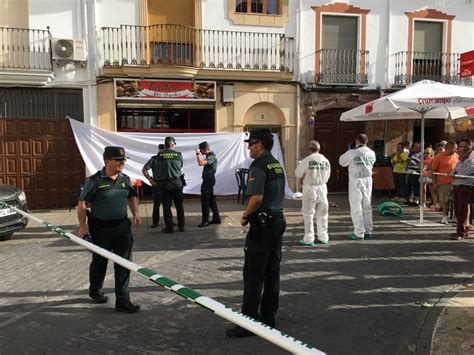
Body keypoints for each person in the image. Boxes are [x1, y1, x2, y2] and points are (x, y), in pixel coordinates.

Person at [226, 128, 286, 338]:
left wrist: (245, 215)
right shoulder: (276, 164)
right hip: (277, 220)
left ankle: (249, 321)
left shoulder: (259, 165)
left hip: (263, 224)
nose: (249, 148)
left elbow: (257, 197)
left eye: (250, 144)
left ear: (259, 144)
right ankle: (268, 316)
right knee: (272, 270)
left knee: (253, 274)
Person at [77, 146, 141, 313]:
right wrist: (83, 226)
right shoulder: (95, 181)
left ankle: (123, 299)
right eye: (118, 160)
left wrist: (136, 213)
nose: (122, 163)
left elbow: (132, 195)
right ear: (107, 161)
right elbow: (82, 204)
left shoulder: (125, 179)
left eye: (123, 160)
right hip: (100, 229)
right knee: (99, 262)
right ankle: (95, 290)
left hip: (121, 227)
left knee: (124, 263)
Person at [339, 134, 376, 240]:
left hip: (356, 180)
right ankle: (368, 231)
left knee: (356, 206)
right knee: (367, 206)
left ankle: (359, 232)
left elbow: (341, 162)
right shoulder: (372, 153)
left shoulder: (352, 152)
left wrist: (350, 151)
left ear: (357, 141)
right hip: (368, 180)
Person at [295, 140, 331, 246]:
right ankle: (323, 236)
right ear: (319, 149)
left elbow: (297, 173)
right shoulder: (325, 160)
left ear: (309, 149)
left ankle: (309, 238)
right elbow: (328, 176)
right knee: (323, 213)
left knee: (308, 213)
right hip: (322, 187)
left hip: (310, 188)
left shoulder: (307, 160)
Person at [156, 136, 185, 233]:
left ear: (165, 145)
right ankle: (181, 226)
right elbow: (181, 165)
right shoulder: (179, 155)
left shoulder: (160, 155)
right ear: (173, 144)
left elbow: (158, 167)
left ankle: (169, 227)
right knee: (179, 205)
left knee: (166, 206)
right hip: (177, 183)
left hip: (164, 183)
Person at [431, 141, 458, 224]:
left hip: (456, 182)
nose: (456, 150)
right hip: (443, 182)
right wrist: (434, 183)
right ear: (448, 148)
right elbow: (433, 171)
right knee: (445, 200)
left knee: (455, 200)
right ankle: (444, 216)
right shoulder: (438, 157)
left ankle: (455, 216)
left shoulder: (456, 156)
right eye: (455, 149)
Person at [450, 141, 474, 240]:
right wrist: (453, 173)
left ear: (468, 149)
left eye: (461, 147)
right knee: (457, 209)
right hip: (456, 186)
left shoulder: (472, 161)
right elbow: (455, 170)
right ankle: (464, 228)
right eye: (459, 147)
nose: (459, 149)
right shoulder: (460, 161)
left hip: (465, 187)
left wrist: (455, 175)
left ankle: (461, 232)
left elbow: (467, 172)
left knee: (462, 210)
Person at [195, 141, 221, 227]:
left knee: (205, 201)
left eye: (201, 150)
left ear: (205, 149)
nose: (201, 152)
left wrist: (197, 154)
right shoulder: (210, 156)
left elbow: (201, 163)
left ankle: (205, 221)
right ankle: (216, 218)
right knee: (211, 200)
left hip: (208, 181)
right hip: (209, 180)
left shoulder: (211, 156)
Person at [142, 143, 166, 228]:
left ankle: (169, 221)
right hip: (157, 184)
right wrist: (150, 180)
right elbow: (144, 169)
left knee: (168, 204)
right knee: (157, 204)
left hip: (167, 184)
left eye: (163, 149)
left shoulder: (168, 159)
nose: (161, 150)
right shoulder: (154, 159)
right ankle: (155, 222)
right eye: (160, 149)